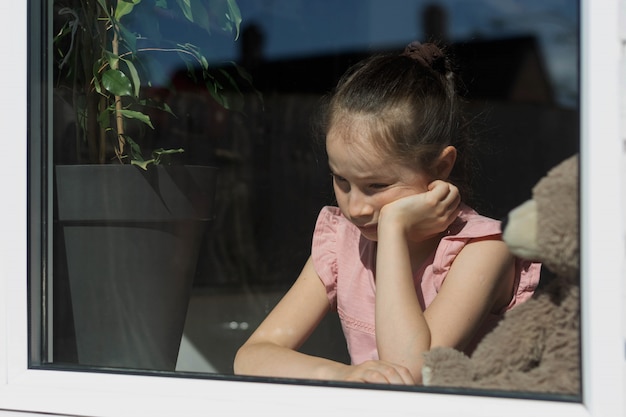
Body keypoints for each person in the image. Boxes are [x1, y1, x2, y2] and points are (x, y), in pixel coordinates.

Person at [233, 41, 541, 385]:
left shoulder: (482, 251)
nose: (355, 207)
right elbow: (252, 356)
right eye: (342, 180)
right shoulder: (342, 244)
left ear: (441, 167)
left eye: (377, 186)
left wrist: (394, 229)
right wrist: (341, 375)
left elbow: (408, 372)